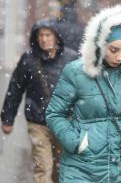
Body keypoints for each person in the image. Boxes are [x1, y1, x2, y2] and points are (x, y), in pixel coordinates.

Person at [45, 4, 121, 182]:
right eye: (113, 50)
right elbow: (54, 113)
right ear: (100, 44)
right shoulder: (76, 71)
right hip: (82, 167)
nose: (119, 57)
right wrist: (76, 143)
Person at [1, 18, 78, 183]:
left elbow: (84, 90)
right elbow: (15, 89)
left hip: (64, 123)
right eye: (40, 35)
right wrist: (8, 118)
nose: (44, 39)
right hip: (37, 122)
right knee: (43, 167)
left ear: (56, 36)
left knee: (63, 168)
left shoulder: (71, 59)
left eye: (48, 35)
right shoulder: (28, 59)